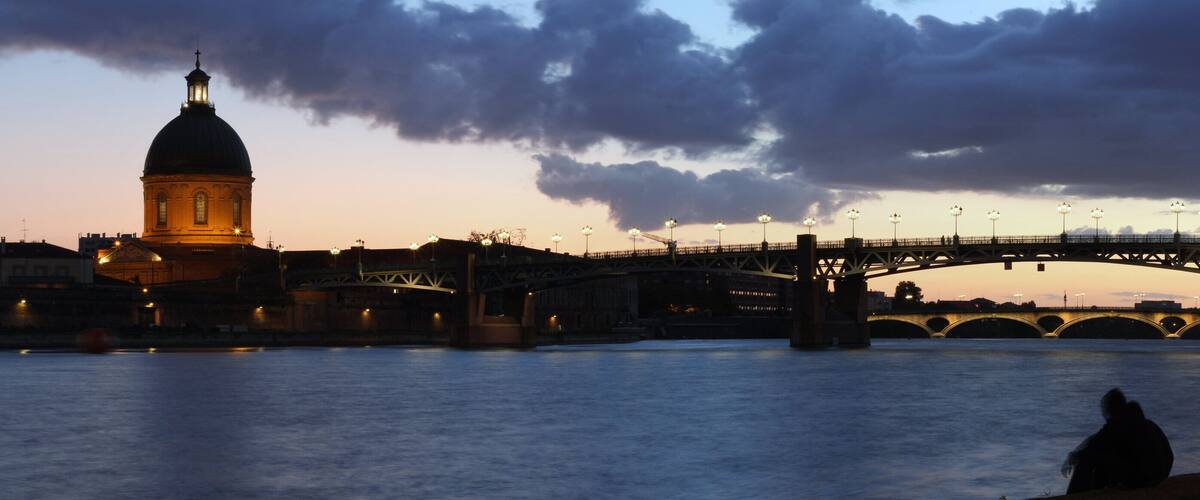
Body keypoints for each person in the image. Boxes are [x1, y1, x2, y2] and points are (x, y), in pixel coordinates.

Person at [1062, 388, 1173, 493]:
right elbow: (1170, 455)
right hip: (1160, 476)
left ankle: (1073, 496)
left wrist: (1073, 456)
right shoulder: (1148, 424)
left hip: (1140, 479)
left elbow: (1093, 448)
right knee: (1105, 455)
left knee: (1089, 459)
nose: (1103, 416)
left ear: (1109, 411)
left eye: (1104, 411)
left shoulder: (1115, 426)